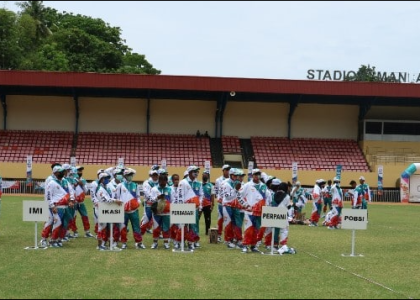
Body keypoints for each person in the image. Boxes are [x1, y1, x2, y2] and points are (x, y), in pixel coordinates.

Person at [42, 166, 75, 248]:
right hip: (57, 206)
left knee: (65, 224)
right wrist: (52, 206)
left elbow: (71, 191)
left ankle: (59, 239)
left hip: (66, 206)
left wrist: (71, 200)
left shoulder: (65, 181)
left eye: (63, 171)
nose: (63, 173)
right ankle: (49, 240)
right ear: (55, 173)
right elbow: (48, 196)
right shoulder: (51, 182)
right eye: (61, 172)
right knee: (57, 223)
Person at [239, 168, 270, 253]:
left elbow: (267, 197)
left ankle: (253, 246)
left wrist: (266, 206)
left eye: (258, 174)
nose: (257, 176)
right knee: (248, 229)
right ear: (252, 175)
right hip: (250, 211)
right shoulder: (247, 185)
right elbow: (239, 195)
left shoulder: (263, 186)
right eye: (255, 174)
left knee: (257, 229)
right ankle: (245, 245)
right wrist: (245, 205)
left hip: (260, 212)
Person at [115, 168, 146, 250]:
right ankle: (124, 243)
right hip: (123, 211)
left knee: (136, 227)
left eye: (131, 175)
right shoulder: (120, 186)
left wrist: (138, 203)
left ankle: (139, 242)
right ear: (125, 176)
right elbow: (117, 198)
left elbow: (138, 197)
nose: (130, 176)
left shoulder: (135, 185)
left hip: (134, 211)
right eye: (129, 175)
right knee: (123, 227)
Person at [95, 172, 123, 250]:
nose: (107, 179)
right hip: (101, 209)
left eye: (107, 178)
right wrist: (115, 200)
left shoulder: (106, 187)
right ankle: (100, 245)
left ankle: (103, 244)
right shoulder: (99, 189)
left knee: (106, 227)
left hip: (106, 209)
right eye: (105, 178)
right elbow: (105, 200)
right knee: (101, 227)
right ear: (101, 179)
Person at [177, 165, 203, 250]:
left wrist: (200, 206)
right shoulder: (183, 182)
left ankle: (191, 242)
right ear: (189, 172)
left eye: (197, 171)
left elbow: (201, 195)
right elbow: (180, 195)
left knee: (193, 226)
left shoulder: (199, 183)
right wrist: (181, 207)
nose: (196, 173)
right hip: (184, 207)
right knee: (183, 225)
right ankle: (182, 241)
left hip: (194, 207)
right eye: (194, 171)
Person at [149, 172, 173, 249]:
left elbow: (173, 200)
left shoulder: (170, 189)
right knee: (156, 228)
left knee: (166, 228)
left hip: (167, 212)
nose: (163, 183)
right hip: (157, 212)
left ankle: (166, 243)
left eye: (164, 181)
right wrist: (157, 198)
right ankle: (155, 243)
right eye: (161, 181)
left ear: (166, 181)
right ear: (159, 181)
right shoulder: (154, 189)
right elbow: (151, 200)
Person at [70, 166, 94, 238]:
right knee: (73, 217)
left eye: (81, 171)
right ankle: (74, 232)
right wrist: (75, 183)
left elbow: (86, 191)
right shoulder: (71, 180)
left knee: (85, 216)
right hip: (74, 202)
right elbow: (70, 189)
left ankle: (87, 231)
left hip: (81, 202)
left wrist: (82, 184)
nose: (80, 172)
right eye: (78, 171)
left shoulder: (83, 180)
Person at [214, 164, 231, 243]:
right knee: (220, 219)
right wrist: (219, 199)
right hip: (221, 203)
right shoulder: (218, 180)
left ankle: (228, 236)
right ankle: (219, 235)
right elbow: (216, 191)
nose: (228, 171)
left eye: (229, 170)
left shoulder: (232, 180)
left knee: (229, 220)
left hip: (229, 203)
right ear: (223, 170)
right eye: (226, 170)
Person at [199, 170, 215, 236]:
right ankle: (195, 231)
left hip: (207, 205)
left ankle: (207, 232)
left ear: (208, 177)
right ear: (202, 175)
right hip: (199, 204)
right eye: (204, 174)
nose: (205, 175)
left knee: (207, 219)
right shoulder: (198, 184)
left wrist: (212, 205)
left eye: (207, 175)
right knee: (196, 218)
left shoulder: (211, 185)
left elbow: (212, 195)